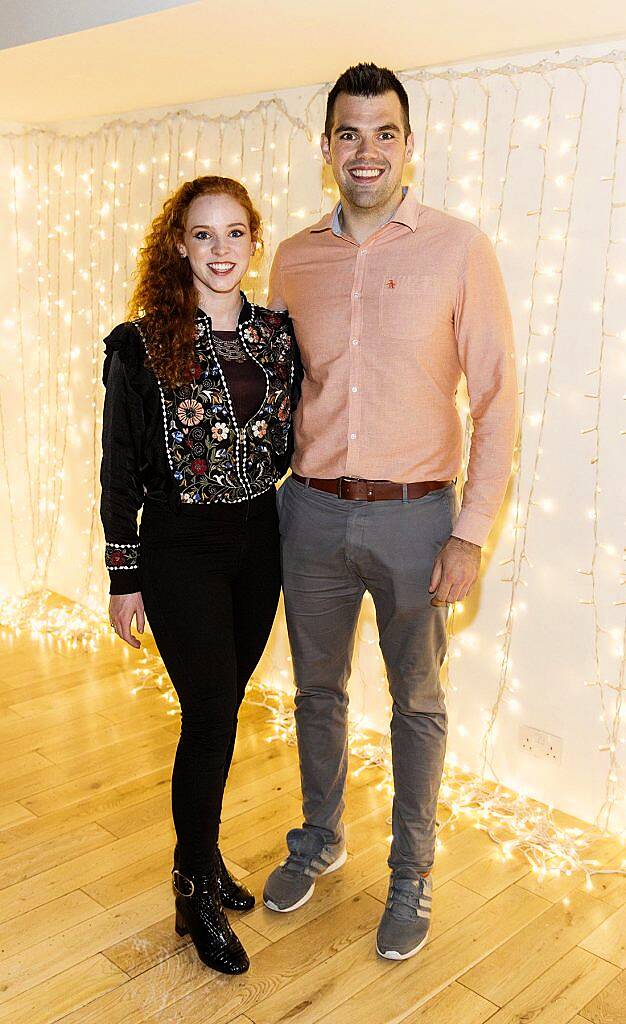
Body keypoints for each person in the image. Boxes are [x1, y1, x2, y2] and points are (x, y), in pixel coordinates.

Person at [263, 63, 518, 960]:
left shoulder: (459, 249)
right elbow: (275, 390)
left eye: (383, 133)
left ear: (409, 146)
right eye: (347, 133)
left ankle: (412, 875)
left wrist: (470, 532)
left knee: (418, 701)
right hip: (311, 517)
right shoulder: (293, 258)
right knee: (317, 694)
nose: (365, 151)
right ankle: (320, 840)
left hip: (418, 521)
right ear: (325, 146)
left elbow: (496, 401)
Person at [100, 175, 300, 975]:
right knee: (211, 716)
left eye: (236, 233)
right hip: (180, 544)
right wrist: (124, 574)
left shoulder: (278, 335)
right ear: (179, 244)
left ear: (255, 239)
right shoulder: (141, 343)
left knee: (227, 706)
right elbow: (118, 468)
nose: (221, 251)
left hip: (260, 538)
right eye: (204, 235)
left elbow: (289, 434)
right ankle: (192, 887)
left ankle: (207, 857)